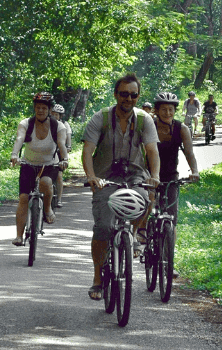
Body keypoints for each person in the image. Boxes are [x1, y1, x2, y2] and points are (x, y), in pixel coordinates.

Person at [82, 73, 160, 300]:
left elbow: (152, 151)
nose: (129, 99)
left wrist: (154, 176)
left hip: (135, 175)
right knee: (103, 227)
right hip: (105, 177)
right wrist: (91, 176)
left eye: (133, 95)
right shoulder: (101, 118)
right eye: (124, 94)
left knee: (145, 199)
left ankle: (132, 235)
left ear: (138, 96)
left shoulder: (144, 120)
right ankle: (97, 278)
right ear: (116, 94)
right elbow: (87, 151)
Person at [137, 92, 200, 272]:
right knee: (148, 202)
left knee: (171, 220)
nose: (167, 113)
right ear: (156, 111)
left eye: (171, 109)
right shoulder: (148, 127)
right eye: (163, 109)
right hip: (148, 175)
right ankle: (142, 230)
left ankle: (168, 262)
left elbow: (189, 153)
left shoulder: (181, 129)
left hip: (171, 176)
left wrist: (194, 171)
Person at [10, 92, 69, 246]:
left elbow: (61, 144)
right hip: (28, 164)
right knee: (24, 198)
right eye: (37, 107)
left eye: (44, 108)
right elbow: (19, 139)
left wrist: (65, 159)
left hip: (49, 165)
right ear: (34, 108)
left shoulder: (58, 126)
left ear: (49, 110)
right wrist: (14, 154)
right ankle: (19, 236)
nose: (40, 110)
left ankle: (48, 209)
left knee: (46, 182)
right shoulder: (26, 123)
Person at [50, 104, 73, 208]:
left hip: (59, 152)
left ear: (60, 116)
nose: (54, 116)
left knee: (59, 176)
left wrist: (68, 146)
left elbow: (68, 137)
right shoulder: (46, 123)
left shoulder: (64, 125)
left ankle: (59, 199)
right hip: (48, 151)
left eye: (57, 115)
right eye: (53, 114)